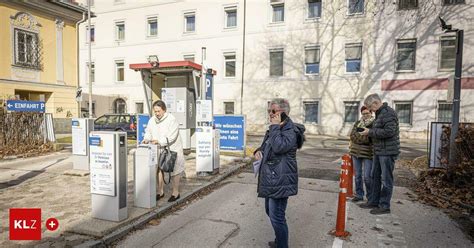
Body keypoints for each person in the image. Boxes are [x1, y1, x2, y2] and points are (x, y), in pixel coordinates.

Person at [254, 98, 305, 248]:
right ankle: (279, 240)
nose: (270, 113)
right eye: (269, 111)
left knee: (277, 217)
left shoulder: (291, 131)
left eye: (273, 111)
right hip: (270, 179)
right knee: (270, 211)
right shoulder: (273, 129)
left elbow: (279, 147)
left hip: (282, 179)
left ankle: (282, 245)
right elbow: (266, 147)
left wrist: (275, 127)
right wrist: (258, 151)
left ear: (284, 112)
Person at [359, 93, 400, 215]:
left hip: (387, 152)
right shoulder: (380, 113)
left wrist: (370, 132)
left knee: (386, 179)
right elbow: (380, 131)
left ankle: (384, 206)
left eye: (371, 107)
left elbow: (389, 132)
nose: (370, 110)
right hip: (379, 151)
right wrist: (369, 132)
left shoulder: (388, 113)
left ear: (376, 103)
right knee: (374, 177)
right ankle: (373, 201)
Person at [143, 100, 185, 202]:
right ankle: (160, 191)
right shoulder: (152, 120)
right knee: (159, 168)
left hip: (172, 148)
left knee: (175, 170)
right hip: (158, 147)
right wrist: (146, 139)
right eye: (155, 111)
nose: (157, 114)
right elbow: (148, 131)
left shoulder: (171, 119)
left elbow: (172, 136)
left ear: (164, 110)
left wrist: (159, 141)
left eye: (159, 111)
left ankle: (175, 193)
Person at [349, 106, 374, 203]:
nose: (365, 115)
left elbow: (371, 139)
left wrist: (360, 137)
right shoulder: (357, 123)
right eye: (363, 113)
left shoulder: (374, 124)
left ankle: (370, 197)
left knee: (367, 177)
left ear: (371, 113)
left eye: (367, 113)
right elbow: (352, 136)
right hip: (356, 153)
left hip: (368, 154)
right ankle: (359, 195)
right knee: (358, 175)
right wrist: (364, 137)